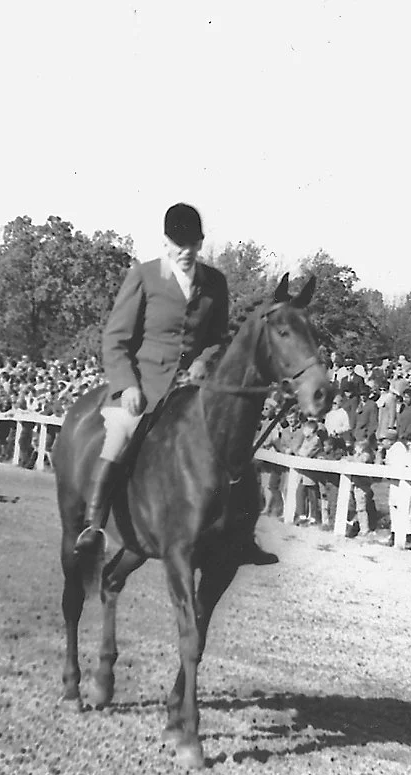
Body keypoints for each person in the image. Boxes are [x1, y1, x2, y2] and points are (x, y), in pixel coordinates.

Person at [79, 203, 275, 565]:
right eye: (179, 244)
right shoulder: (144, 276)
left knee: (234, 445)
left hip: (194, 390)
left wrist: (203, 361)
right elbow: (116, 339)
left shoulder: (215, 282)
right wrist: (128, 386)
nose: (186, 251)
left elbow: (219, 337)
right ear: (166, 242)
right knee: (120, 433)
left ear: (200, 243)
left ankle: (243, 535)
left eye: (193, 243)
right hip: (145, 387)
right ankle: (93, 526)